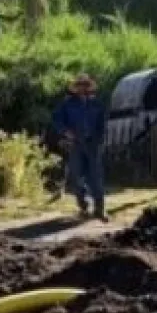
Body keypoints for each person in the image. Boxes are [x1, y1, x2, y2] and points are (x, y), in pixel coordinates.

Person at [52, 74, 108, 221]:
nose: (82, 87)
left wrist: (100, 140)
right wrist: (65, 131)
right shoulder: (67, 104)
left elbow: (102, 124)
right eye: (79, 85)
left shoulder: (97, 104)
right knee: (77, 177)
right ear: (76, 88)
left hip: (93, 144)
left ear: (89, 86)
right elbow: (57, 119)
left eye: (85, 85)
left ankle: (100, 209)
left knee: (96, 177)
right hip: (75, 144)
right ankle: (83, 206)